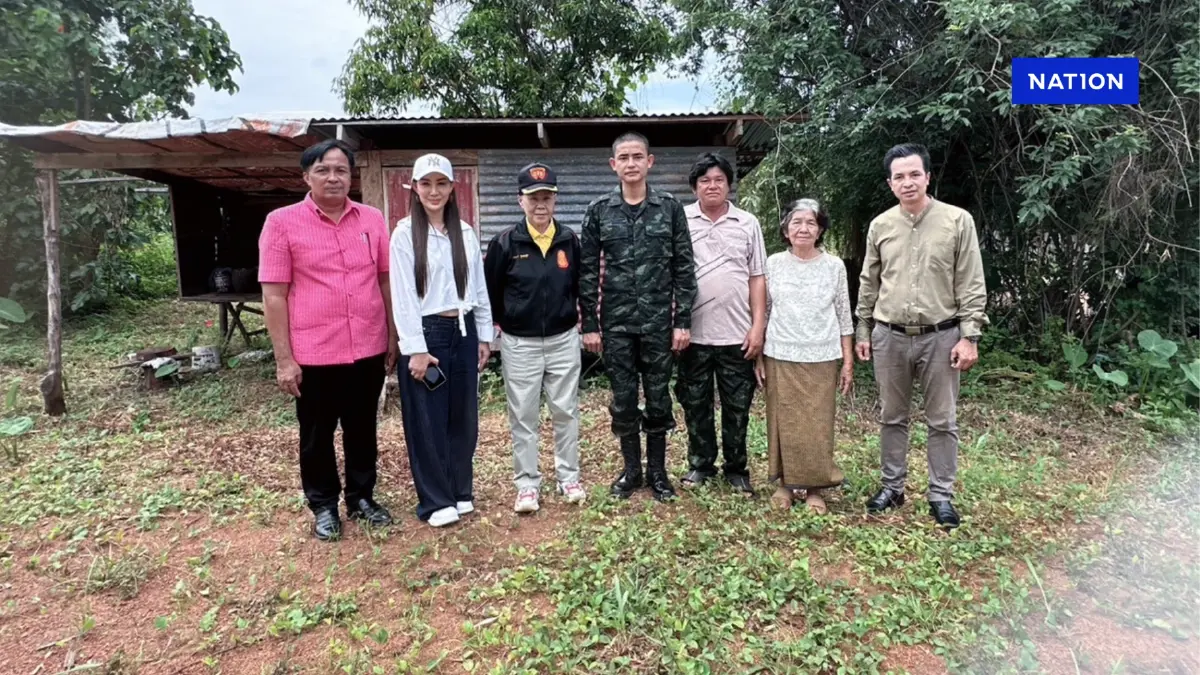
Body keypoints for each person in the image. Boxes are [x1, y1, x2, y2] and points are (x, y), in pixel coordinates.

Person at [258, 139, 398, 541]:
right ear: (307, 177)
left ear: (351, 177)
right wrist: (284, 359)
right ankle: (323, 505)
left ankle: (361, 498)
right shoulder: (281, 223)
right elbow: (274, 295)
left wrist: (392, 335)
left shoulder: (372, 219)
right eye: (323, 170)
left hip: (367, 346)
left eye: (340, 170)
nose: (333, 177)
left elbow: (385, 280)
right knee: (317, 434)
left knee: (362, 429)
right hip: (314, 353)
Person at [855, 143, 988, 529]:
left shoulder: (957, 221)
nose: (908, 182)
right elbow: (869, 281)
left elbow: (971, 281)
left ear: (928, 177)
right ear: (890, 183)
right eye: (899, 176)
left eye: (915, 174)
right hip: (889, 336)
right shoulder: (881, 226)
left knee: (942, 420)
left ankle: (941, 495)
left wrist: (970, 336)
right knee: (891, 416)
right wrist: (863, 328)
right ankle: (892, 487)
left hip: (941, 336)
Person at [579, 132, 697, 502]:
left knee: (659, 398)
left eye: (637, 156)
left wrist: (682, 321)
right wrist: (590, 324)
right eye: (624, 158)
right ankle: (631, 471)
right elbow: (587, 271)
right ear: (613, 165)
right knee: (624, 398)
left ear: (650, 161)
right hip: (616, 326)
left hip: (659, 324)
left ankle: (658, 473)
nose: (631, 163)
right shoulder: (599, 210)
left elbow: (684, 268)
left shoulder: (669, 208)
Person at [389, 153, 493, 528]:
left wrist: (484, 335)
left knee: (463, 415)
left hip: (463, 330)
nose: (434, 191)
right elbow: (403, 296)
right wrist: (415, 349)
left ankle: (460, 490)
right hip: (426, 334)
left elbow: (478, 288)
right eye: (426, 184)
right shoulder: (404, 235)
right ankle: (435, 500)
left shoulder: (464, 233)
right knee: (427, 419)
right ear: (415, 189)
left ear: (452, 188)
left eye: (441, 184)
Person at [484, 163, 586, 513]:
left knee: (565, 411)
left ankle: (568, 477)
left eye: (547, 197)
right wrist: (500, 327)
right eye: (533, 198)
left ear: (555, 200)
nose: (540, 205)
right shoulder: (505, 243)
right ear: (520, 201)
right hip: (520, 343)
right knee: (523, 415)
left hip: (563, 339)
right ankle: (527, 484)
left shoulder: (569, 240)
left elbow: (579, 287)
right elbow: (491, 291)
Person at [675, 153, 766, 495]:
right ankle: (701, 464)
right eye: (705, 181)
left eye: (719, 180)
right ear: (694, 187)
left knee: (737, 407)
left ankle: (736, 469)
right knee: (695, 404)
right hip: (693, 334)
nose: (712, 186)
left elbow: (757, 276)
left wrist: (758, 327)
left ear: (729, 185)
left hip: (737, 334)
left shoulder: (747, 223)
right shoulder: (680, 220)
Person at [757, 199, 854, 513]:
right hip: (780, 353)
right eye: (796, 222)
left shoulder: (834, 266)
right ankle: (785, 484)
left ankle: (815, 487)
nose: (803, 229)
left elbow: (844, 315)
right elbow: (764, 312)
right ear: (786, 230)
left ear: (820, 229)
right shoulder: (773, 263)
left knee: (817, 424)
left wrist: (847, 361)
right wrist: (758, 356)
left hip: (821, 356)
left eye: (811, 222)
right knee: (783, 420)